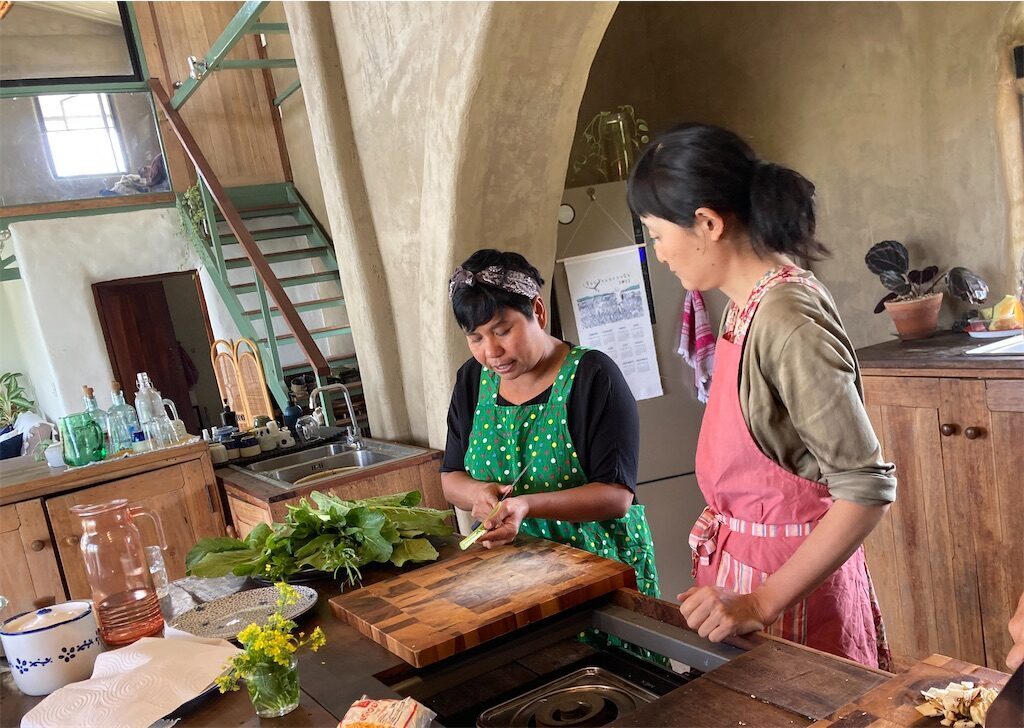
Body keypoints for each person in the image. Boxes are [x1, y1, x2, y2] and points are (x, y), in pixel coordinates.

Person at [627, 123, 896, 669]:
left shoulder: (786, 318)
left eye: (657, 235)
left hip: (788, 591)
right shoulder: (743, 308)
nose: (658, 254)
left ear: (706, 223)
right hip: (748, 576)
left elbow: (865, 489)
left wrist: (761, 600)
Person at [440, 249, 659, 599]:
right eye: (476, 338)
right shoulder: (472, 380)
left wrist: (525, 505)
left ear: (537, 312)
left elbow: (617, 495)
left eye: (502, 330)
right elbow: (451, 478)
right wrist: (477, 494)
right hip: (507, 579)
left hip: (597, 575)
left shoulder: (592, 376)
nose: (491, 351)